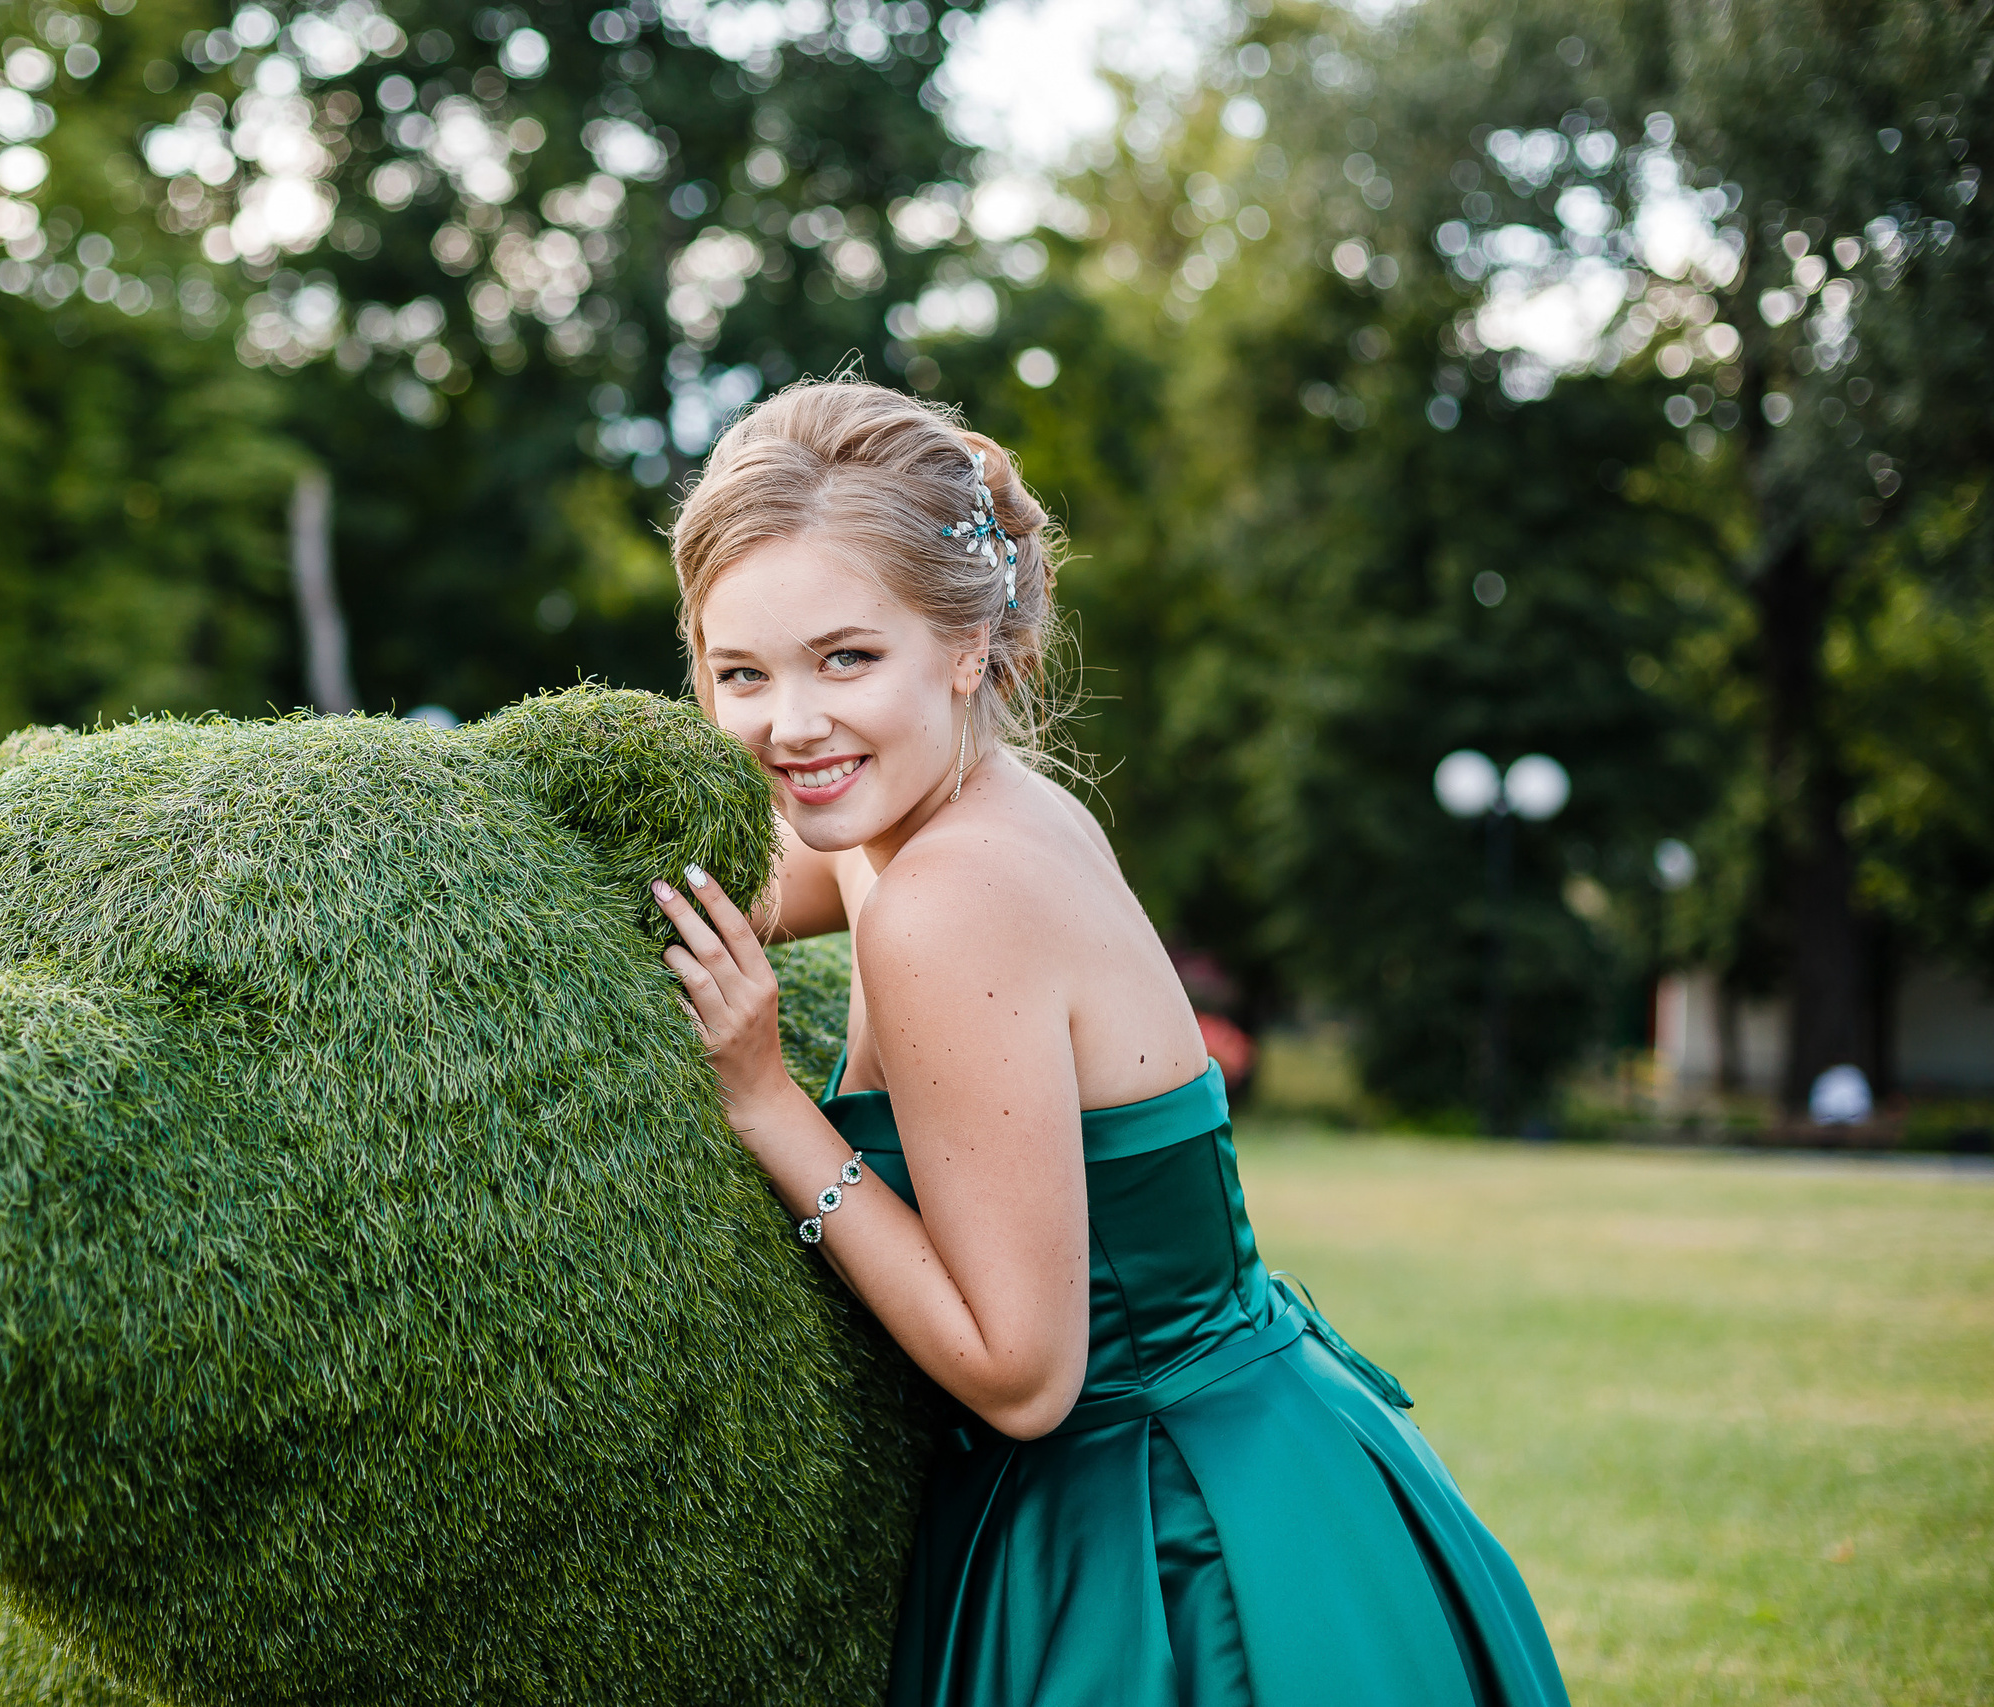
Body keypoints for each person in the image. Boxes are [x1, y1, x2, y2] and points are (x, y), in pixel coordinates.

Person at [651, 379, 1570, 1707]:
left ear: (963, 647)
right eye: (741, 673)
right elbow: (726, 885)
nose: (790, 725)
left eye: (845, 658)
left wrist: (765, 1102)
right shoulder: (954, 806)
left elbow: (1024, 1377)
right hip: (1270, 1452)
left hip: (1156, 1547)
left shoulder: (945, 897)